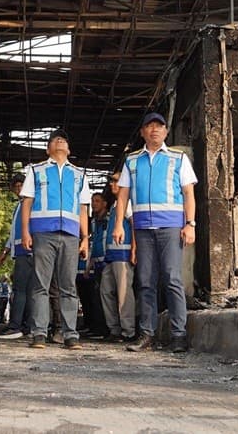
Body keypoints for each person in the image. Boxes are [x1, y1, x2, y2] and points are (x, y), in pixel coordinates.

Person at [112, 112, 197, 354]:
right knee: (145, 281)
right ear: (142, 133)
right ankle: (146, 334)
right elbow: (123, 194)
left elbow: (189, 193)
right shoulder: (132, 160)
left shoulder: (178, 159)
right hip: (142, 228)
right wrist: (119, 224)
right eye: (149, 126)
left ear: (166, 132)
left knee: (172, 279)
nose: (154, 130)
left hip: (170, 226)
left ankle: (179, 335)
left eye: (159, 126)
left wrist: (190, 224)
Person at [21, 129, 91, 350]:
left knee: (68, 285)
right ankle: (39, 333)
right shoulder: (36, 171)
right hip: (43, 233)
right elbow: (27, 202)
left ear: (68, 149)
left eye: (63, 139)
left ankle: (71, 334)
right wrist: (25, 231)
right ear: (48, 148)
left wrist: (85, 238)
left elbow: (82, 208)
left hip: (70, 234)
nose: (60, 141)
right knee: (41, 284)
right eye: (54, 139)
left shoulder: (79, 174)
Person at [0, 173, 33, 340]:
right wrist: (5, 251)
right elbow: (13, 233)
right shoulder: (19, 206)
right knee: (25, 290)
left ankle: (17, 325)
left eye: (21, 185)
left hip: (28, 251)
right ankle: (25, 325)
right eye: (16, 186)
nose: (18, 189)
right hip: (19, 252)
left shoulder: (30, 204)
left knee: (21, 290)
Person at [101, 189, 136, 343]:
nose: (112, 184)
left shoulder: (127, 204)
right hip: (111, 255)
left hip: (123, 253)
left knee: (124, 294)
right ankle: (114, 328)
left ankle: (128, 330)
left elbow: (134, 225)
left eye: (115, 181)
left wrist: (135, 249)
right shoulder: (115, 206)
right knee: (106, 291)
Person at [80, 192, 109, 338]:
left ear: (105, 203)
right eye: (92, 201)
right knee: (95, 297)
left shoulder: (110, 219)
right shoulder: (93, 222)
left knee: (105, 296)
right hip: (96, 263)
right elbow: (94, 244)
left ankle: (105, 328)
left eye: (97, 201)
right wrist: (88, 266)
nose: (94, 203)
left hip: (107, 261)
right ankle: (95, 327)